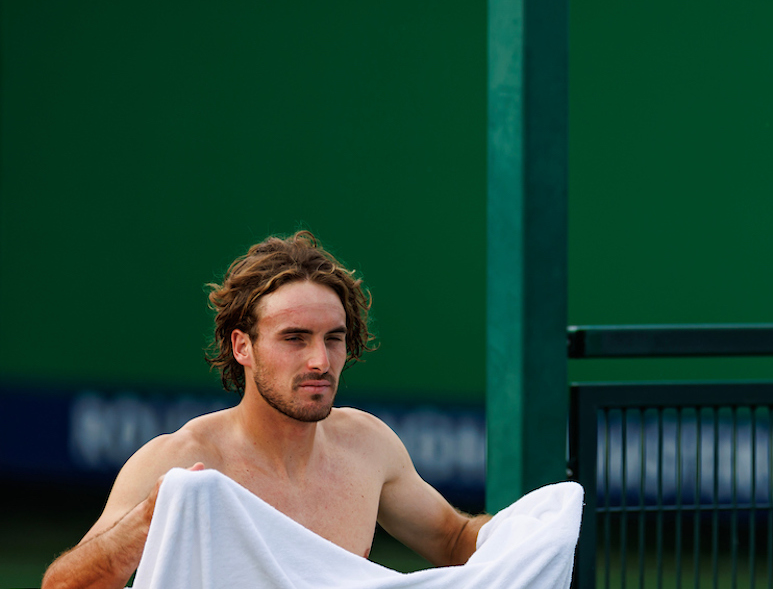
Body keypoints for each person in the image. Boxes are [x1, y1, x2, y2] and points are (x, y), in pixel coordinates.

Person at [43, 231, 490, 589]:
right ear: (243, 347)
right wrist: (147, 521)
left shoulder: (368, 444)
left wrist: (542, 529)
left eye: (333, 338)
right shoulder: (180, 462)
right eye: (295, 338)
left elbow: (455, 540)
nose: (320, 360)